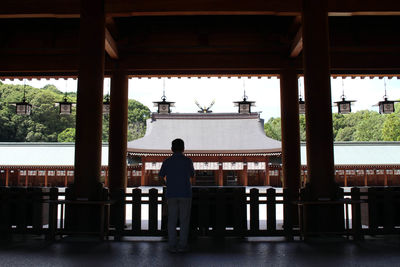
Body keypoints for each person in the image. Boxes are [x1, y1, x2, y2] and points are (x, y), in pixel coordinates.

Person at [159, 138, 194, 253]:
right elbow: (192, 175)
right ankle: (182, 245)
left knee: (172, 220)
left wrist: (167, 183)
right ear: (183, 149)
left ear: (172, 149)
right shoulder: (188, 161)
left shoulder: (167, 161)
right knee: (184, 220)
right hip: (185, 193)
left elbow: (161, 176)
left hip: (171, 193)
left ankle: (172, 245)